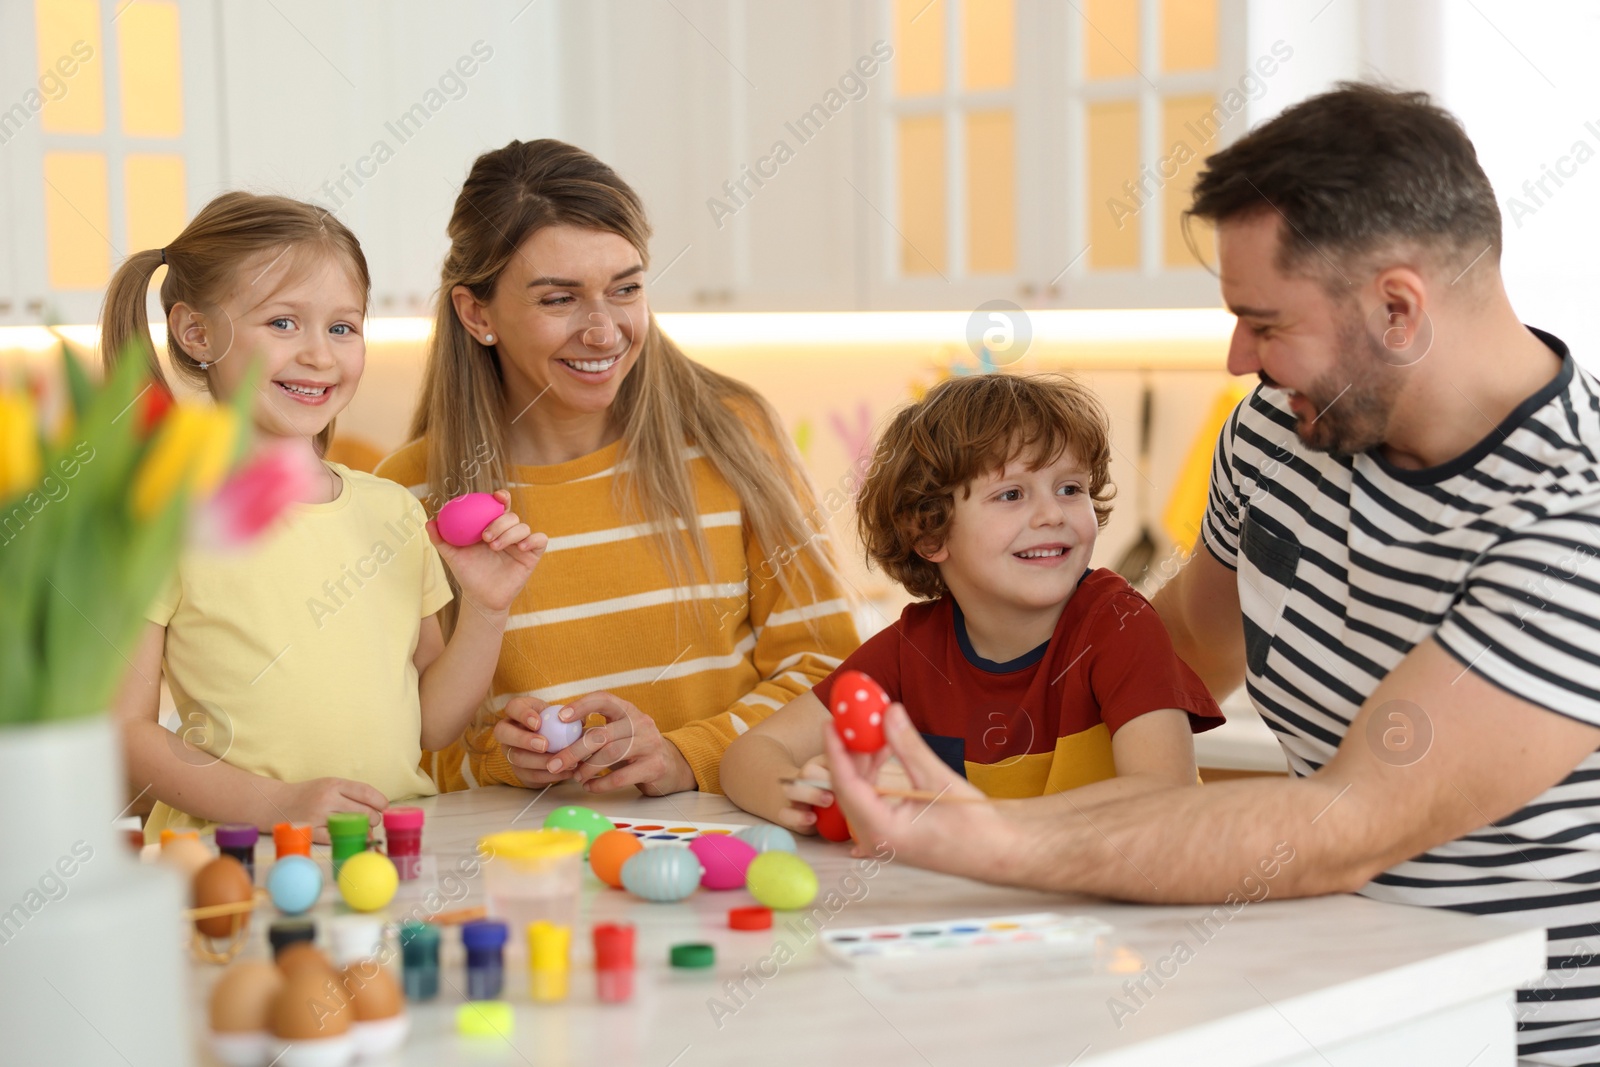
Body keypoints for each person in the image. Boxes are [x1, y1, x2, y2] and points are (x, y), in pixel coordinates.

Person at [823, 84, 1600, 1066]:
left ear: (1398, 307)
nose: (1238, 359)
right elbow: (1174, 652)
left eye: (1264, 323)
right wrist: (968, 760)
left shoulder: (1575, 518)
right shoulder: (1278, 434)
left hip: (1509, 1028)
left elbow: (1345, 822)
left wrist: (996, 840)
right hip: (1321, 981)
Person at [375, 139, 859, 797]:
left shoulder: (733, 437)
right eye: (559, 299)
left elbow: (830, 670)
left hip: (734, 855)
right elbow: (385, 739)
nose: (604, 331)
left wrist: (686, 757)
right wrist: (490, 758)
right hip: (526, 869)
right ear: (477, 313)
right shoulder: (408, 493)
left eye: (625, 288)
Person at [106, 192, 545, 841]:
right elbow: (127, 735)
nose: (319, 354)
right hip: (236, 857)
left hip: (389, 846)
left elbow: (432, 723)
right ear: (197, 332)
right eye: (283, 322)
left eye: (343, 327)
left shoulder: (392, 511)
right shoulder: (163, 515)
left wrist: (486, 607)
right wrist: (274, 804)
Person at [721, 373, 1223, 831]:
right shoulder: (911, 648)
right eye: (1011, 495)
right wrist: (801, 796)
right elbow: (750, 754)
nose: (1052, 513)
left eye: (1070, 488)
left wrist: (963, 818)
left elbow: (1164, 797)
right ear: (931, 534)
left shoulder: (1119, 624)